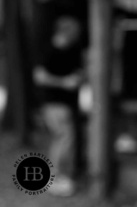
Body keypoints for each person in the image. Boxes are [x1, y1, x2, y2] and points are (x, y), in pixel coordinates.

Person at [33, 14, 86, 197]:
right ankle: (57, 178)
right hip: (53, 103)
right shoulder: (50, 50)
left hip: (67, 103)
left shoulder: (72, 50)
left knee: (64, 139)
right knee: (63, 138)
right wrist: (64, 82)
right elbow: (39, 76)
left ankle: (63, 176)